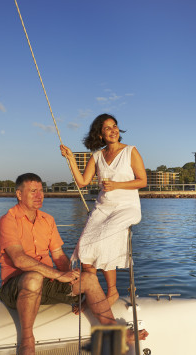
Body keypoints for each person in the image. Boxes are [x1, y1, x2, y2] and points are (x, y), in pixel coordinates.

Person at [0, 173, 147, 355]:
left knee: (90, 279)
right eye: (33, 191)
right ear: (19, 195)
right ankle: (27, 340)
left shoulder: (48, 220)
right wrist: (59, 275)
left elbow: (59, 255)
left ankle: (113, 330)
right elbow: (19, 259)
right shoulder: (8, 220)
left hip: (46, 283)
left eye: (41, 191)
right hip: (15, 288)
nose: (39, 195)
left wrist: (71, 277)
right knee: (33, 277)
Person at [60, 113, 147, 305]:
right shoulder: (97, 156)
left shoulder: (130, 151)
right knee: (85, 247)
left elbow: (143, 181)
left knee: (103, 241)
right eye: (107, 128)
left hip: (126, 207)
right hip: (103, 208)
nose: (113, 130)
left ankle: (113, 292)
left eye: (115, 126)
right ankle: (94, 294)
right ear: (100, 134)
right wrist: (71, 159)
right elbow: (82, 182)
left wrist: (116, 185)